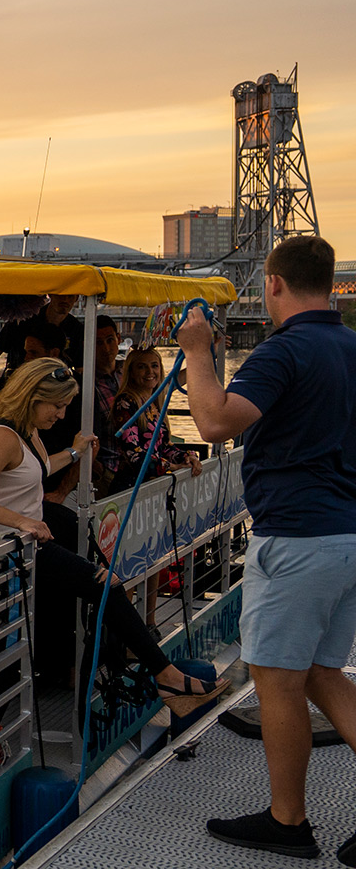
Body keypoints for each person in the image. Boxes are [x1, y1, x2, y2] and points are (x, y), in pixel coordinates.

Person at [178, 236, 356, 862]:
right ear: (329, 283)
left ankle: (288, 822)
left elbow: (215, 422)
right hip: (346, 532)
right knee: (320, 672)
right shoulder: (349, 347)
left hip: (298, 539)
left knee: (276, 680)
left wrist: (199, 354)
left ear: (273, 285)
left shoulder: (286, 351)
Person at [0, 358, 226, 708]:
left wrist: (74, 452)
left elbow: (35, 469)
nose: (61, 416)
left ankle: (165, 676)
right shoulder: (2, 437)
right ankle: (167, 679)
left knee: (39, 631)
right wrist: (23, 522)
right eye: (58, 406)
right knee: (9, 646)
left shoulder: (27, 433)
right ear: (32, 397)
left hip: (23, 550)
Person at [102, 346, 202, 490]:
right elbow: (134, 455)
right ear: (131, 372)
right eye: (142, 367)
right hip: (131, 487)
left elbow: (165, 447)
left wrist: (187, 457)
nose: (150, 372)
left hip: (153, 486)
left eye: (154, 366)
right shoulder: (125, 403)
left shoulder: (154, 401)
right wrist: (173, 467)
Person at [0, 295, 84, 396]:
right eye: (61, 295)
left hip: (53, 392)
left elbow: (80, 369)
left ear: (77, 298)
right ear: (50, 294)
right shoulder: (23, 320)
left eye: (70, 296)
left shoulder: (76, 329)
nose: (65, 300)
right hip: (16, 387)